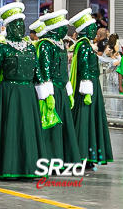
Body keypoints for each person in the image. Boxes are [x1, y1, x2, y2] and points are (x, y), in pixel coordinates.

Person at [0, 3, 54, 180]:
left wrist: (46, 94)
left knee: (28, 130)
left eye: (22, 25)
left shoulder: (30, 48)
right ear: (8, 27)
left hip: (28, 94)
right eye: (16, 25)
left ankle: (30, 167)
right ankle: (9, 167)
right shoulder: (2, 48)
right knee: (11, 129)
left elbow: (38, 73)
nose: (20, 28)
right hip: (9, 94)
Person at [34, 11, 82, 165]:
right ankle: (49, 160)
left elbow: (64, 70)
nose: (66, 30)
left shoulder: (61, 45)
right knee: (51, 126)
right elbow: (45, 70)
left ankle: (63, 159)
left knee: (63, 126)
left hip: (61, 89)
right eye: (63, 27)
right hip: (52, 90)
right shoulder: (46, 45)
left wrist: (68, 91)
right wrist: (47, 95)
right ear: (55, 28)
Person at [68, 8, 114, 167]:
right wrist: (88, 87)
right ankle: (84, 154)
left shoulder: (83, 45)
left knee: (86, 120)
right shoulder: (85, 46)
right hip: (88, 88)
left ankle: (86, 154)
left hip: (88, 86)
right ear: (85, 29)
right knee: (86, 120)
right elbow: (84, 68)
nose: (94, 29)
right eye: (91, 27)